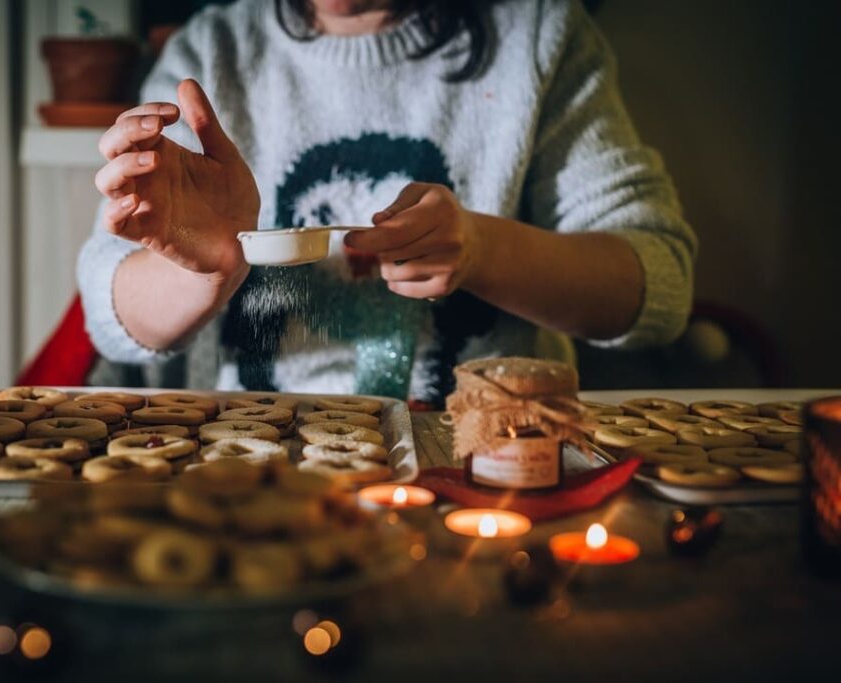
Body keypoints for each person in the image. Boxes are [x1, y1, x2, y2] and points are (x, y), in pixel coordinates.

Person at [77, 0, 697, 407]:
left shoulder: (538, 34)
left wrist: (483, 250)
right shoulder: (211, 50)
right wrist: (206, 270)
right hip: (258, 473)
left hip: (494, 460)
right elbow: (113, 314)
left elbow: (656, 287)